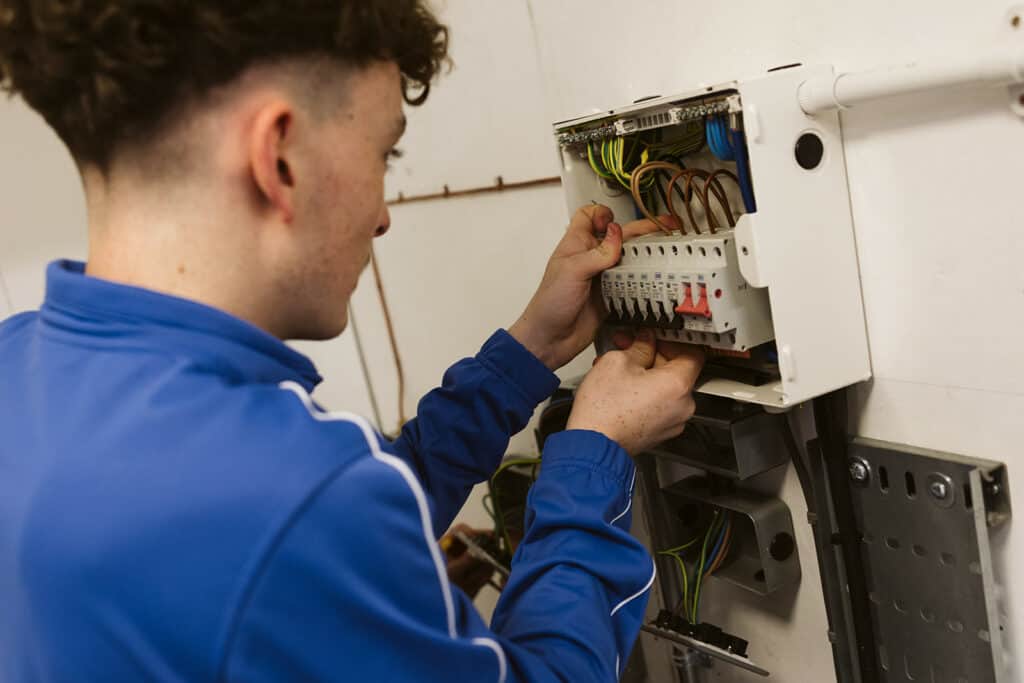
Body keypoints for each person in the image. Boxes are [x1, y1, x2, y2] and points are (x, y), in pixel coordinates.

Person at [0, 2, 704, 681]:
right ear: (278, 158)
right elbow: (306, 522)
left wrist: (524, 354)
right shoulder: (288, 503)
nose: (382, 215)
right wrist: (594, 455)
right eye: (383, 154)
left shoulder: (20, 366)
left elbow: (325, 523)